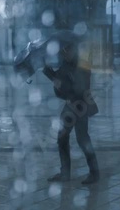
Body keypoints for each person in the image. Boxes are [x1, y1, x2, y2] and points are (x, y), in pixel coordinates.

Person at [42, 43, 100, 184]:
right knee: (62, 137)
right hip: (70, 105)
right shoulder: (66, 64)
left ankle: (94, 172)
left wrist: (60, 82)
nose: (64, 52)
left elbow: (79, 87)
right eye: (63, 50)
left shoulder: (82, 64)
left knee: (82, 139)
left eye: (67, 49)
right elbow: (61, 85)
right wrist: (49, 72)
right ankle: (65, 173)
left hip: (80, 105)